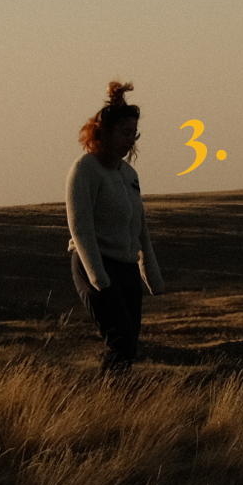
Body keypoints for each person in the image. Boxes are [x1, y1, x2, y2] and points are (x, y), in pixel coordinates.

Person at [67, 80, 164, 371]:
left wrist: (152, 276)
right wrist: (99, 279)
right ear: (104, 132)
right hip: (95, 265)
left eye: (134, 134)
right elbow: (80, 227)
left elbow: (140, 229)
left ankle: (116, 403)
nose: (130, 140)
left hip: (127, 269)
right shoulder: (85, 170)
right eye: (124, 133)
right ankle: (103, 402)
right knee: (119, 340)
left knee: (130, 344)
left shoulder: (129, 174)